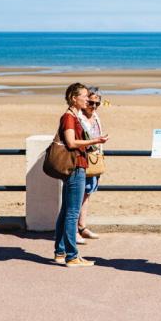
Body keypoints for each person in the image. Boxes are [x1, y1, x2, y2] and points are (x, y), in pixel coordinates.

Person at [53, 83, 109, 267]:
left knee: (65, 211)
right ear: (74, 98)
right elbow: (70, 142)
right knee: (72, 213)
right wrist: (95, 140)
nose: (87, 99)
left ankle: (60, 252)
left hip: (76, 166)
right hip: (75, 166)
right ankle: (72, 256)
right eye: (84, 96)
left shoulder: (74, 116)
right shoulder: (69, 117)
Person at [76, 86, 104, 244]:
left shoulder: (96, 117)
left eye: (97, 104)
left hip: (94, 160)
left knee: (87, 193)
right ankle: (74, 230)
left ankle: (82, 226)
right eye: (91, 103)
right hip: (81, 161)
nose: (93, 106)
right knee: (77, 196)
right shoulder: (78, 118)